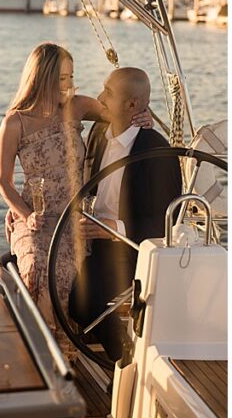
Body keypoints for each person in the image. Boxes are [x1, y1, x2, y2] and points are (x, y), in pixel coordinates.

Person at [0, 43, 150, 358]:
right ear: (42, 78)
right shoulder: (15, 122)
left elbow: (120, 109)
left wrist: (143, 115)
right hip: (37, 215)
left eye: (71, 76)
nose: (69, 84)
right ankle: (42, 350)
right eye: (62, 78)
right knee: (41, 268)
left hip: (75, 216)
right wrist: (24, 215)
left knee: (66, 273)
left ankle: (62, 349)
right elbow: (3, 181)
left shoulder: (77, 107)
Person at [69, 67, 181, 361]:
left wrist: (115, 228)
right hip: (89, 237)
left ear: (132, 105)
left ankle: (125, 362)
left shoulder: (155, 149)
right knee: (14, 263)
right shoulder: (98, 134)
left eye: (108, 92)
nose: (100, 97)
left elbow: (167, 219)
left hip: (127, 248)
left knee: (82, 301)